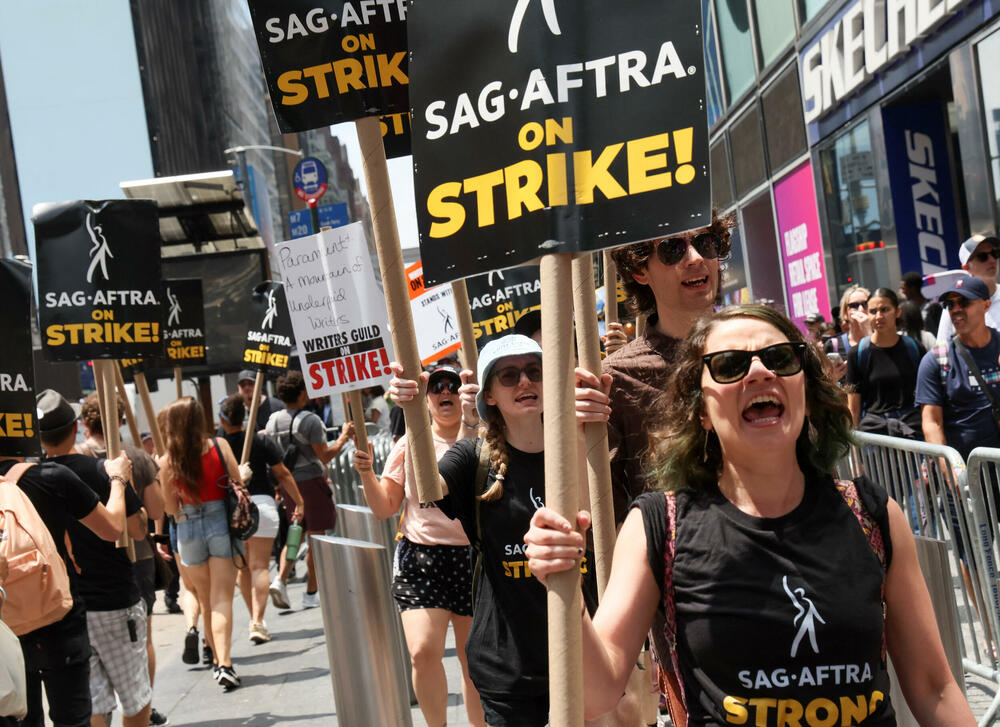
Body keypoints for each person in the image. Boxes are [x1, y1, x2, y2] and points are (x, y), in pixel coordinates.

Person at [524, 304, 976, 726]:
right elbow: (597, 691)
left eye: (780, 358)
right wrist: (563, 581)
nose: (760, 372)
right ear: (699, 409)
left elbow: (934, 689)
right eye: (729, 366)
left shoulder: (872, 514)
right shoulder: (659, 525)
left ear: (805, 386)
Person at [389, 335, 602, 727]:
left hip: (584, 651)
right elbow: (428, 487)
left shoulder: (584, 440)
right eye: (509, 375)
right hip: (509, 665)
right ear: (489, 395)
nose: (524, 382)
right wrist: (413, 408)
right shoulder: (474, 457)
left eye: (534, 371)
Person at [352, 363, 485, 727]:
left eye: (452, 384)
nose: (445, 391)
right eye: (436, 386)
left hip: (473, 559)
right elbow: (384, 508)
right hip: (421, 558)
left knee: (473, 658)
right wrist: (366, 473)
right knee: (422, 652)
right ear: (425, 398)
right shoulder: (407, 444)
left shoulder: (484, 438)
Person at [0, 417, 132, 727]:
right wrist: (118, 479)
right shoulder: (52, 477)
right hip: (58, 618)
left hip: (6, 626)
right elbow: (112, 529)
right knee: (72, 720)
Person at [35, 390, 154, 727]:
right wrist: (120, 482)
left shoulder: (32, 480)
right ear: (75, 427)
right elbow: (135, 528)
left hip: (66, 605)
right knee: (135, 697)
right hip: (113, 598)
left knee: (95, 703)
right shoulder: (101, 470)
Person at [157, 397, 244, 691]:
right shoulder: (219, 446)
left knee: (205, 600)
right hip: (220, 519)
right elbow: (238, 482)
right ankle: (225, 663)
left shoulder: (167, 460)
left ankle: (218, 661)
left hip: (187, 527)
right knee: (222, 599)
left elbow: (169, 508)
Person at [218, 395, 304, 644]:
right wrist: (298, 500)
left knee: (244, 569)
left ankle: (256, 619)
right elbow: (283, 473)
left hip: (235, 511)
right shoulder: (260, 440)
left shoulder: (219, 446)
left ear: (223, 419)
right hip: (263, 507)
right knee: (260, 566)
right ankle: (257, 619)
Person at [265, 371, 353, 611]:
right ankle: (311, 592)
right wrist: (344, 437)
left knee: (295, 533)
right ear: (303, 392)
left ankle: (280, 578)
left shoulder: (272, 421)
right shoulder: (310, 421)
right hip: (311, 483)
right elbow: (324, 455)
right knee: (316, 538)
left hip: (288, 485)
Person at [917, 277, 1000, 456]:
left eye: (964, 302)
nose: (956, 310)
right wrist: (953, 474)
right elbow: (932, 423)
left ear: (986, 305)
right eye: (949, 304)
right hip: (970, 474)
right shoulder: (936, 360)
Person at [845, 288, 924, 438]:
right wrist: (856, 455)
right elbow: (853, 409)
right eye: (873, 311)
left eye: (885, 309)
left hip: (912, 435)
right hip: (876, 440)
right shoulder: (858, 354)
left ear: (898, 311)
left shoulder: (914, 348)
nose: (879, 316)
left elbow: (927, 400)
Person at [936, 235, 1000, 342]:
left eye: (995, 253)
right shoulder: (954, 304)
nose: (992, 260)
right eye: (982, 256)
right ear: (967, 267)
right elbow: (941, 349)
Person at [230, 370, 285, 435]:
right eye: (243, 385)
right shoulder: (236, 412)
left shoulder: (277, 406)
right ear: (238, 388)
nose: (247, 387)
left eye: (250, 383)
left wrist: (269, 432)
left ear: (259, 384)